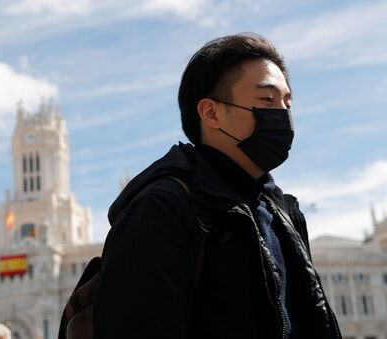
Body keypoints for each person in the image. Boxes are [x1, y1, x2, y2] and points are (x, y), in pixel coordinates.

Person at [93, 33, 342, 338]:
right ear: (211, 112)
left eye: (287, 103)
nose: (283, 115)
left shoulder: (283, 214)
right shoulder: (162, 209)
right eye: (267, 100)